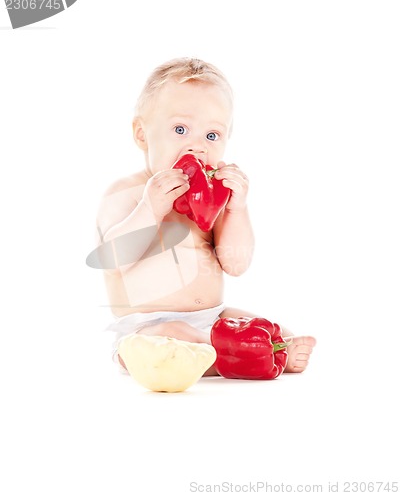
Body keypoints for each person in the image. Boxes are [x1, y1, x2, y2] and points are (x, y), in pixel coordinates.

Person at [96, 57, 316, 376]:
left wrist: (236, 209)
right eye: (181, 129)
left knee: (266, 327)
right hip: (147, 329)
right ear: (142, 134)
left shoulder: (212, 200)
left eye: (212, 136)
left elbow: (236, 264)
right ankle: (229, 357)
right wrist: (150, 209)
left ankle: (245, 351)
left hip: (212, 318)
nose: (197, 147)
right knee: (178, 336)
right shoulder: (127, 192)